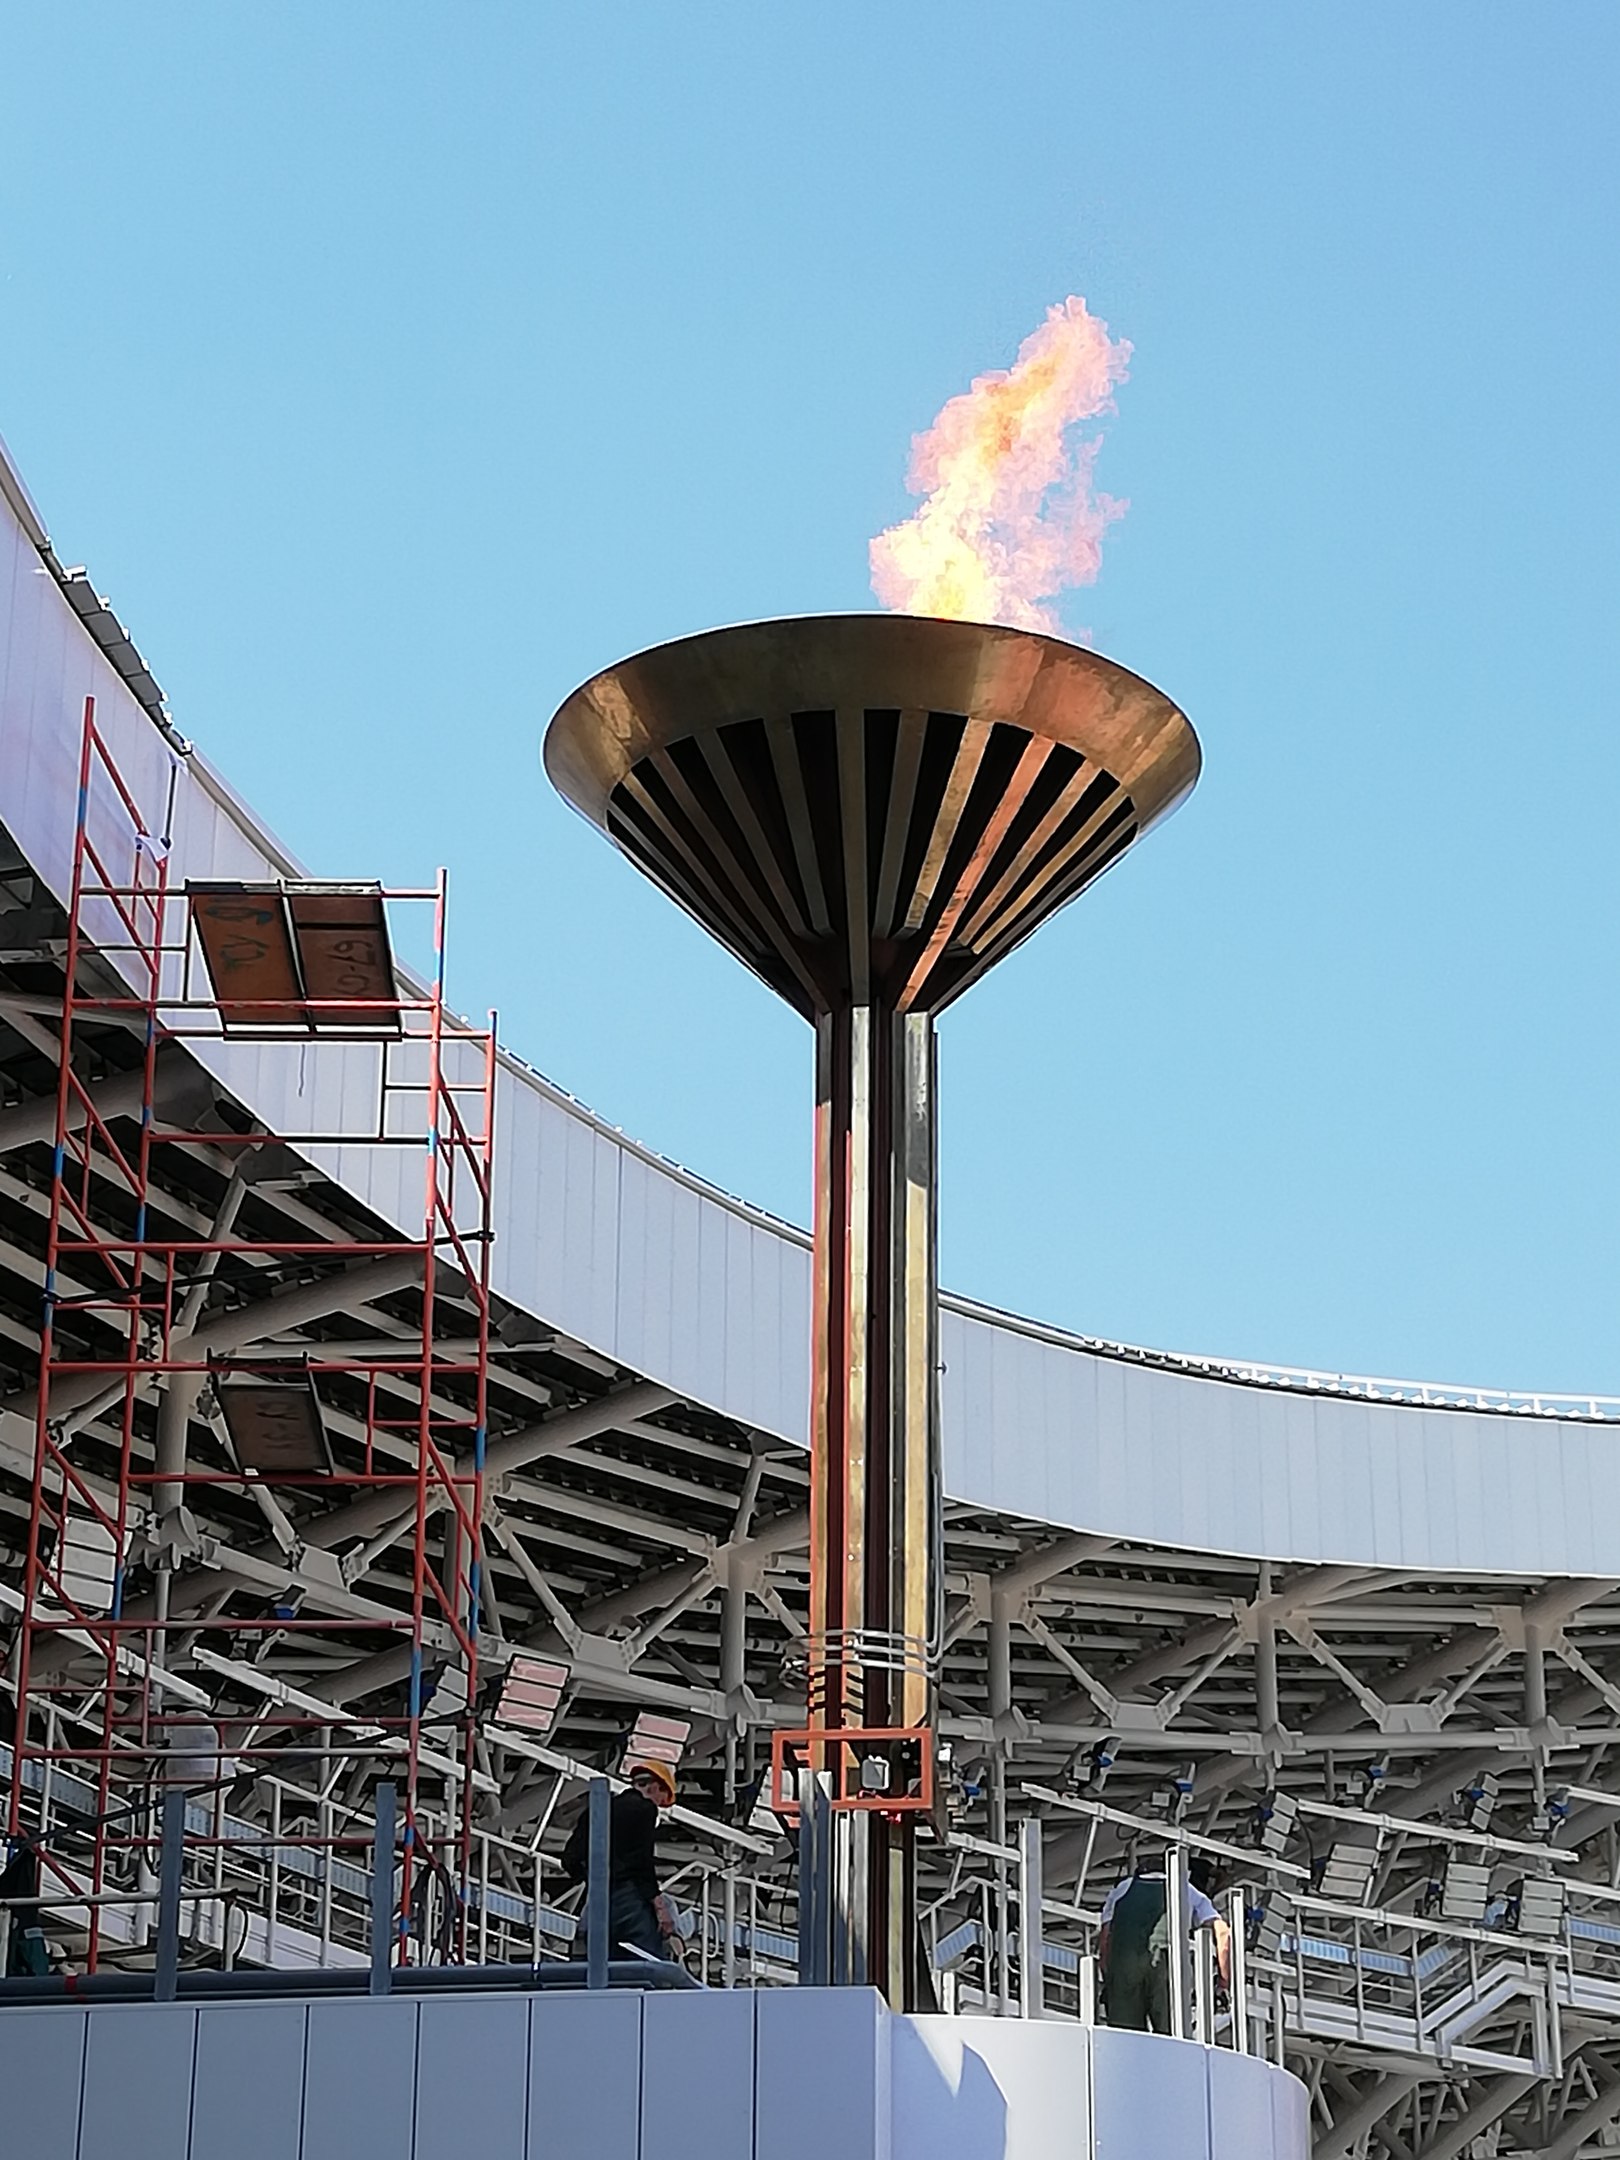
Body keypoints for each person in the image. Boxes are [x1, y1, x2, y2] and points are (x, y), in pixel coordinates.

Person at [561, 1760, 679, 1961]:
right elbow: (641, 1861)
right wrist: (658, 1905)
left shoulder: (598, 1808)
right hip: (629, 1898)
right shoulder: (644, 1809)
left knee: (600, 1962)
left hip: (597, 1897)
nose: (658, 1805)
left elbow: (569, 1859)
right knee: (646, 1961)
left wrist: (590, 1876)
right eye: (661, 1799)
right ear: (654, 1786)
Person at [1098, 1854, 1220, 2033]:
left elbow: (1105, 1940)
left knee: (1125, 2038)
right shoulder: (1185, 1889)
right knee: (1171, 2035)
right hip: (1167, 1970)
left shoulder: (1121, 1890)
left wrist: (1108, 1977)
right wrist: (1223, 1980)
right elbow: (1220, 1930)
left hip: (1124, 1969)